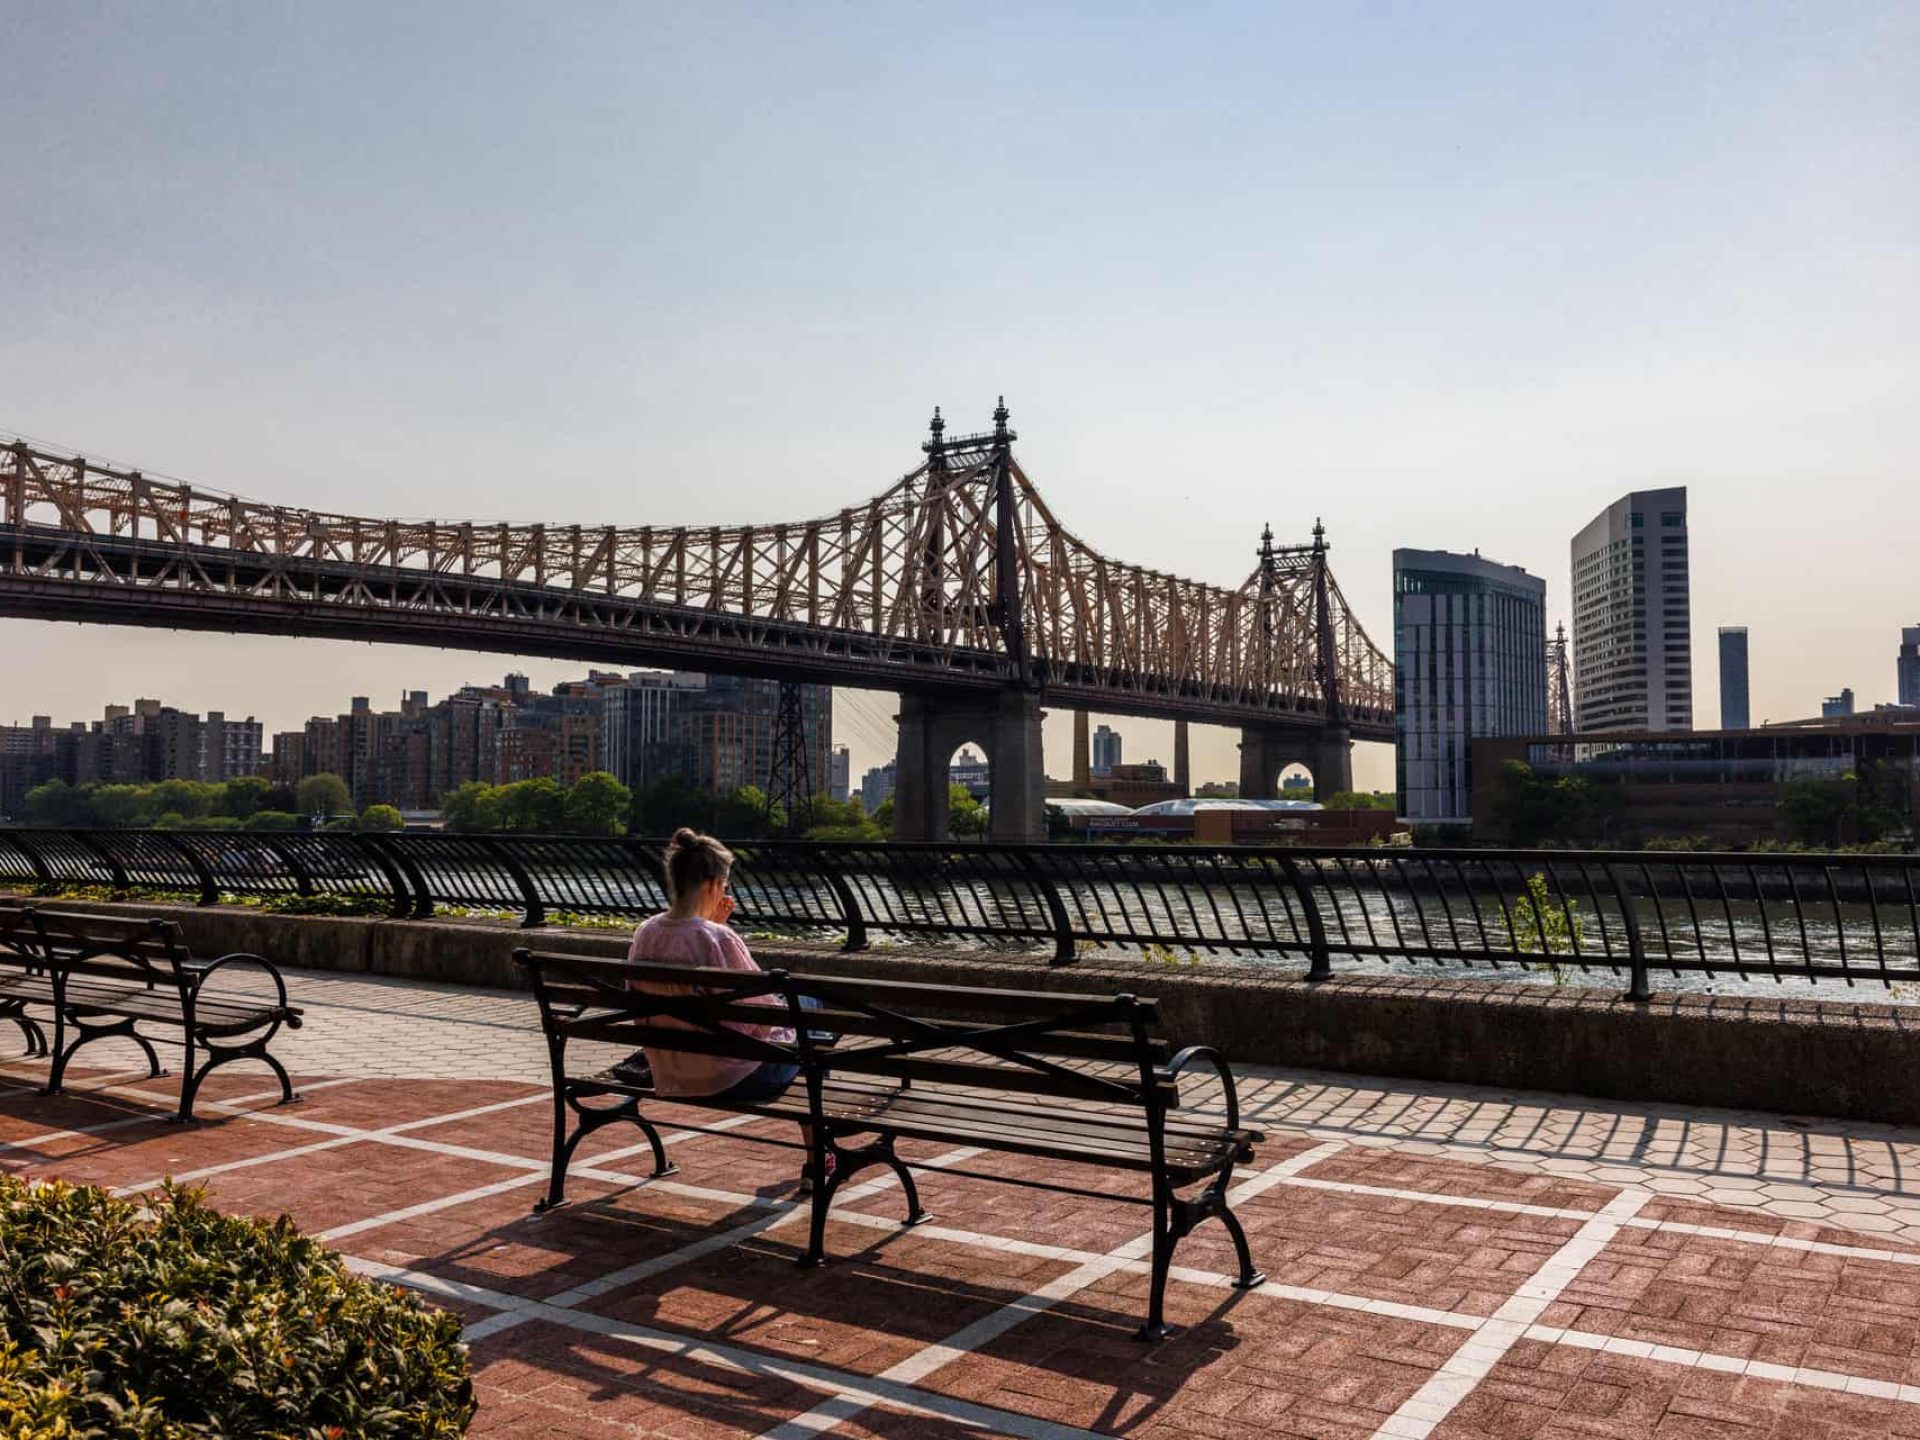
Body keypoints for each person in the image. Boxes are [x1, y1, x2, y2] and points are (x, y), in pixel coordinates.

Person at [622, 828, 828, 1189]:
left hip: (671, 1069)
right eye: (726, 884)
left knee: (804, 1030)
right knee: (811, 1018)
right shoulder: (718, 938)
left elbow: (644, 1004)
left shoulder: (646, 932)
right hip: (729, 1078)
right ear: (712, 884)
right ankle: (817, 1159)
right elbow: (760, 1019)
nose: (727, 892)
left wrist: (714, 927)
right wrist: (719, 931)